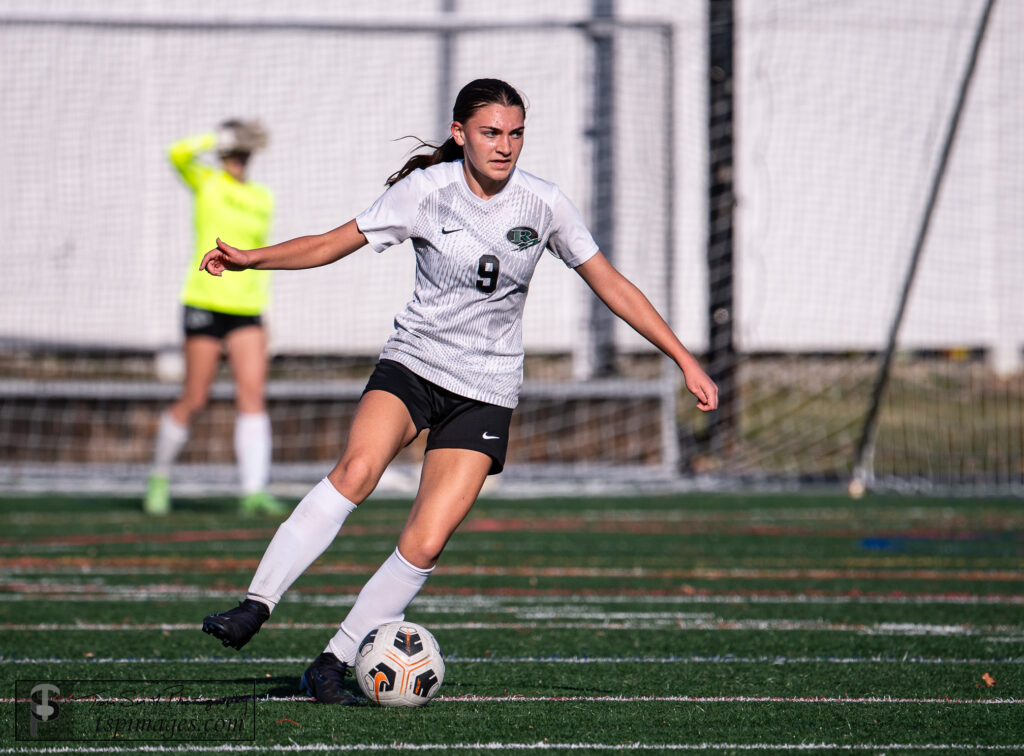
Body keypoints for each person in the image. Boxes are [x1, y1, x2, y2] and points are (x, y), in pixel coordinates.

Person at [198, 79, 718, 704]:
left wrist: (685, 358)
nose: (506, 146)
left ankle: (333, 662)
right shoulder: (423, 193)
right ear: (460, 134)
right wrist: (254, 259)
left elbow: (611, 283)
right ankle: (256, 603)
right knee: (357, 471)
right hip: (414, 365)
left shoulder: (544, 204)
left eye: (516, 133)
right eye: (492, 132)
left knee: (425, 540)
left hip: (487, 387)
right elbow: (331, 244)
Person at [144, 120, 285, 517]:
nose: (236, 160)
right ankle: (159, 476)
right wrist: (214, 138)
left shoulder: (262, 197)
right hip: (204, 302)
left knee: (252, 396)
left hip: (247, 310)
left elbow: (260, 256)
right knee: (196, 396)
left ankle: (253, 490)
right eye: (231, 152)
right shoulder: (206, 181)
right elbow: (176, 152)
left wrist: (267, 315)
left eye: (242, 153)